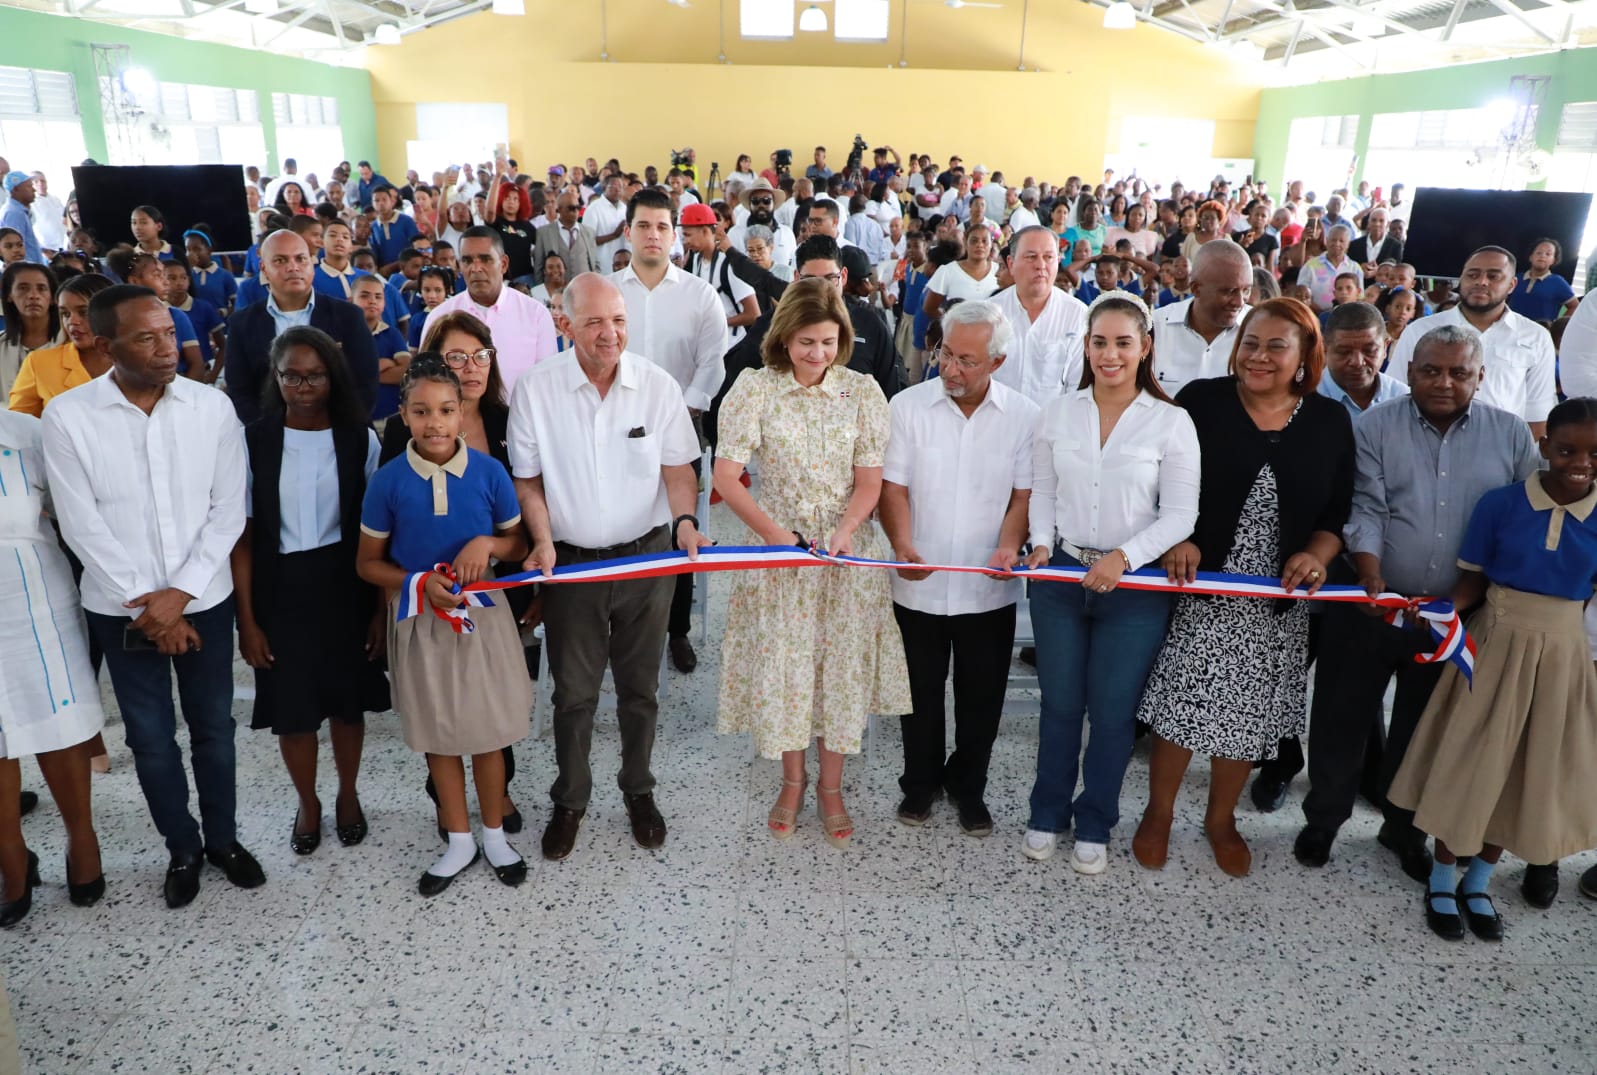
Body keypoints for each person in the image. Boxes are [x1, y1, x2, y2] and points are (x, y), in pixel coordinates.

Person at [1293, 323, 1539, 884]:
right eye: (1431, 370)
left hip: (1454, 615)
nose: (1444, 382)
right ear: (1409, 372)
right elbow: (1366, 506)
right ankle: (1323, 820)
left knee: (1425, 725)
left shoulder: (1510, 435)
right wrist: (1371, 575)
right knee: (1340, 714)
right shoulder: (1373, 426)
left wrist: (1460, 599)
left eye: (1458, 372)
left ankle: (1403, 829)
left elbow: (1520, 521)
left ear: (1480, 376)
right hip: (1370, 602)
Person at [43, 285, 263, 909]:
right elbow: (80, 525)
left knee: (214, 728)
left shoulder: (210, 407)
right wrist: (151, 606)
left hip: (205, 600)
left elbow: (228, 510)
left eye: (169, 332)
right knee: (150, 737)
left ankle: (223, 840)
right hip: (121, 611)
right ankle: (182, 847)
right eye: (147, 338)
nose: (168, 347)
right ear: (106, 345)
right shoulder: (69, 416)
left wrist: (182, 594)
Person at [1131, 297, 1354, 878]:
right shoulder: (1202, 402)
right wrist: (1179, 538)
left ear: (1305, 356)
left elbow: (1337, 511)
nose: (1259, 356)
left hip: (1277, 600)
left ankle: (1220, 818)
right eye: (1250, 343)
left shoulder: (1328, 421)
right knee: (1183, 703)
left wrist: (1316, 554)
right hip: (1199, 586)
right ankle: (1158, 813)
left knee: (1247, 715)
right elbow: (1158, 480)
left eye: (1276, 346)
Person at [510, 273, 709, 861]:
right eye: (594, 321)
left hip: (647, 559)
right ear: (564, 324)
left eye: (619, 320)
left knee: (640, 689)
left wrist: (684, 522)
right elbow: (528, 479)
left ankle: (638, 790)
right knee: (573, 693)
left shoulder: (657, 386)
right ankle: (571, 798)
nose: (610, 333)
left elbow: (678, 469)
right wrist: (541, 540)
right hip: (571, 566)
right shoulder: (536, 389)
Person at [1389, 398, 1597, 940]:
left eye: (1595, 453)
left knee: (1522, 770)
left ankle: (1479, 881)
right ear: (1544, 446)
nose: (1581, 462)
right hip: (1495, 645)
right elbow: (1472, 581)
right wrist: (1442, 610)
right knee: (1469, 761)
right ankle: (1441, 878)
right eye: (1567, 449)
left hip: (1562, 656)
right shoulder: (1501, 504)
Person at [713, 278, 910, 847]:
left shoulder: (862, 392)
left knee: (839, 670)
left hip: (845, 553)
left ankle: (831, 788)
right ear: (784, 338)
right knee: (788, 669)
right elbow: (727, 476)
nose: (817, 353)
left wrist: (846, 531)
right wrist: (778, 538)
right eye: (805, 342)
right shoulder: (755, 388)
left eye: (827, 342)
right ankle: (792, 781)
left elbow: (870, 482)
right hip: (780, 549)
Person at [1018, 290, 1200, 871]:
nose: (1110, 354)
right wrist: (1041, 542)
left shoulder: (1171, 422)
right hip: (1062, 576)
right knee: (1060, 705)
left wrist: (1124, 557)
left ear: (1145, 347)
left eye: (1123, 343)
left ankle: (1096, 820)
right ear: (1086, 347)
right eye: (1099, 342)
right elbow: (1042, 489)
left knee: (1114, 713)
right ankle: (1047, 812)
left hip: (1134, 588)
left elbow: (1180, 515)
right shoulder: (1058, 413)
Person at [358, 355, 533, 895]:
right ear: (403, 415)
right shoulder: (387, 482)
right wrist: (417, 581)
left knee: (487, 732)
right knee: (439, 735)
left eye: (445, 410)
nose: (434, 422)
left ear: (461, 412)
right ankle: (458, 840)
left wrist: (487, 544)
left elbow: (517, 544)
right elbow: (367, 563)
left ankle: (494, 835)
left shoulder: (489, 472)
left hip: (483, 617)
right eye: (421, 411)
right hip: (420, 620)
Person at [878, 300, 1037, 835]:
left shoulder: (1024, 416)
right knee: (919, 694)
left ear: (998, 362)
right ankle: (919, 785)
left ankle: (969, 788)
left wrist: (1009, 547)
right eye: (946, 354)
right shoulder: (906, 407)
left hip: (987, 586)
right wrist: (902, 544)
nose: (951, 369)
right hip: (917, 582)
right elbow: (893, 488)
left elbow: (1022, 497)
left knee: (981, 698)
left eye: (967, 361)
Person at [233, 327, 389, 856]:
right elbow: (243, 538)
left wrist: (378, 613)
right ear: (275, 378)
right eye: (291, 376)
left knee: (347, 704)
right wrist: (247, 621)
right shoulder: (253, 441)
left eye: (315, 376)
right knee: (292, 709)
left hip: (346, 584)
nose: (303, 387)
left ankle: (347, 794)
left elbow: (377, 534)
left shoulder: (359, 438)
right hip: (279, 589)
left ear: (333, 377)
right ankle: (308, 802)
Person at [0, 407, 106, 926]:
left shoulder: (27, 433)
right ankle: (12, 857)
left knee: (59, 724)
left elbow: (79, 515)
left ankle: (81, 840)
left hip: (36, 603)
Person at [1387, 247, 1556, 438]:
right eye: (1473, 275)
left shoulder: (1535, 337)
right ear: (1461, 279)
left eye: (1493, 276)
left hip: (1500, 448)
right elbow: (1394, 397)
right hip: (1423, 444)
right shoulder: (1420, 330)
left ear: (1511, 284)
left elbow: (1538, 414)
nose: (1481, 282)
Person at [226, 231, 378, 424]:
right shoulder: (242, 324)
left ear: (312, 264)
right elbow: (239, 392)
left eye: (300, 259)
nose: (293, 267)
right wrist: (276, 432)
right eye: (280, 260)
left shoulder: (349, 316)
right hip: (269, 434)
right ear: (264, 268)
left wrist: (329, 429)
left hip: (342, 431)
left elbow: (365, 385)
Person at [421, 227, 558, 393]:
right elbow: (427, 381)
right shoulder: (439, 317)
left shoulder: (536, 315)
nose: (476, 268)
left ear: (504, 264)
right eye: (467, 260)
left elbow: (547, 383)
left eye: (485, 259)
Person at [1150, 240, 1251, 396]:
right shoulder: (1155, 327)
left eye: (1246, 290)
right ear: (1196, 289)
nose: (1239, 302)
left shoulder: (1259, 329)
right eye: (1229, 291)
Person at [9, 272, 113, 416]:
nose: (72, 321)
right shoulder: (39, 363)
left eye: (83, 312)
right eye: (65, 314)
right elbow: (18, 424)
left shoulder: (135, 360)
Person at [1315, 301, 1409, 416]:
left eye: (1369, 351)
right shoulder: (1302, 401)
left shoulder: (1403, 400)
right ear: (1324, 348)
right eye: (1344, 352)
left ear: (1385, 347)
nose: (1357, 362)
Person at [0, 261, 57, 397]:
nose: (33, 295)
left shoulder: (70, 344)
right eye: (23, 288)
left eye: (41, 288)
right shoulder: (1, 345)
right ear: (9, 295)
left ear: (52, 297)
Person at [923, 224, 999, 320]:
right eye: (974, 241)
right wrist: (950, 322)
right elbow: (929, 308)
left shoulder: (999, 271)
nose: (979, 245)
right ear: (965, 242)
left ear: (991, 244)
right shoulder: (948, 271)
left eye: (984, 241)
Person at [532, 191, 602, 284]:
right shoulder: (544, 233)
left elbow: (595, 264)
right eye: (571, 208)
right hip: (556, 288)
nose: (576, 211)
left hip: (585, 286)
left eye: (578, 207)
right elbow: (538, 267)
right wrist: (541, 290)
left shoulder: (588, 232)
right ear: (559, 209)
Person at [1506, 238, 1578, 323]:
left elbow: (1575, 306)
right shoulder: (1516, 278)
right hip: (1510, 326)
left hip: (1540, 329)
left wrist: (1557, 326)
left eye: (1548, 254)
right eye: (1539, 253)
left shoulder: (1558, 282)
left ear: (1553, 260)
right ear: (1531, 257)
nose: (1542, 256)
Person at [1297, 223, 1361, 312]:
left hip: (1347, 316)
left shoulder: (1355, 268)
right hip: (1314, 315)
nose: (1337, 244)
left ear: (1348, 244)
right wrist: (1321, 313)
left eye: (1341, 241)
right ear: (1326, 241)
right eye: (1333, 240)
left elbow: (1360, 297)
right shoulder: (1310, 265)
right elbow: (1301, 293)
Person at [0, 174, 41, 265]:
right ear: (15, 190)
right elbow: (14, 254)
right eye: (29, 186)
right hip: (25, 270)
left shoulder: (18, 211)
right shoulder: (14, 213)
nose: (34, 190)